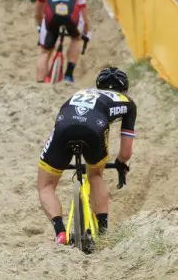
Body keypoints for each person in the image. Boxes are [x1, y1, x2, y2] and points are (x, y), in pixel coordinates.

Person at [37, 67, 135, 245]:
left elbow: (62, 116)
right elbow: (126, 152)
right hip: (94, 130)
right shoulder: (127, 102)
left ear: (98, 85)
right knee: (96, 174)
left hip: (63, 127)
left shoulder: (81, 93)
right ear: (124, 89)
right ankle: (103, 232)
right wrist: (121, 163)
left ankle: (60, 232)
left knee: (46, 186)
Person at [35, 0, 90, 83]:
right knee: (76, 38)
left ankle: (39, 84)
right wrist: (86, 32)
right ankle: (69, 74)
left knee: (44, 52)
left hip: (51, 18)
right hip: (71, 18)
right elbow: (84, 12)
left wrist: (39, 24)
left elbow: (38, 9)